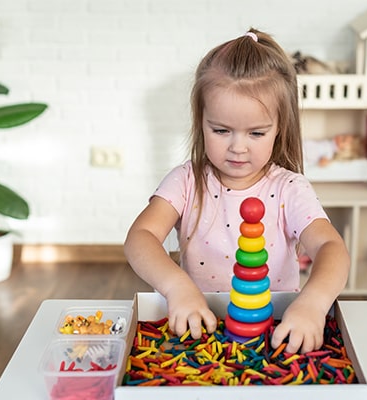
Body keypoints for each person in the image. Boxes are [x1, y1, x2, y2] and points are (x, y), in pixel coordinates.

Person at [124, 28, 350, 354]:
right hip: (200, 328)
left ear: (279, 129)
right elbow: (139, 237)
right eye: (220, 130)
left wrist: (312, 305)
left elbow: (332, 246)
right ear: (200, 121)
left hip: (278, 332)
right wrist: (177, 288)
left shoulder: (289, 188)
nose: (238, 148)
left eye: (256, 133)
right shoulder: (186, 181)